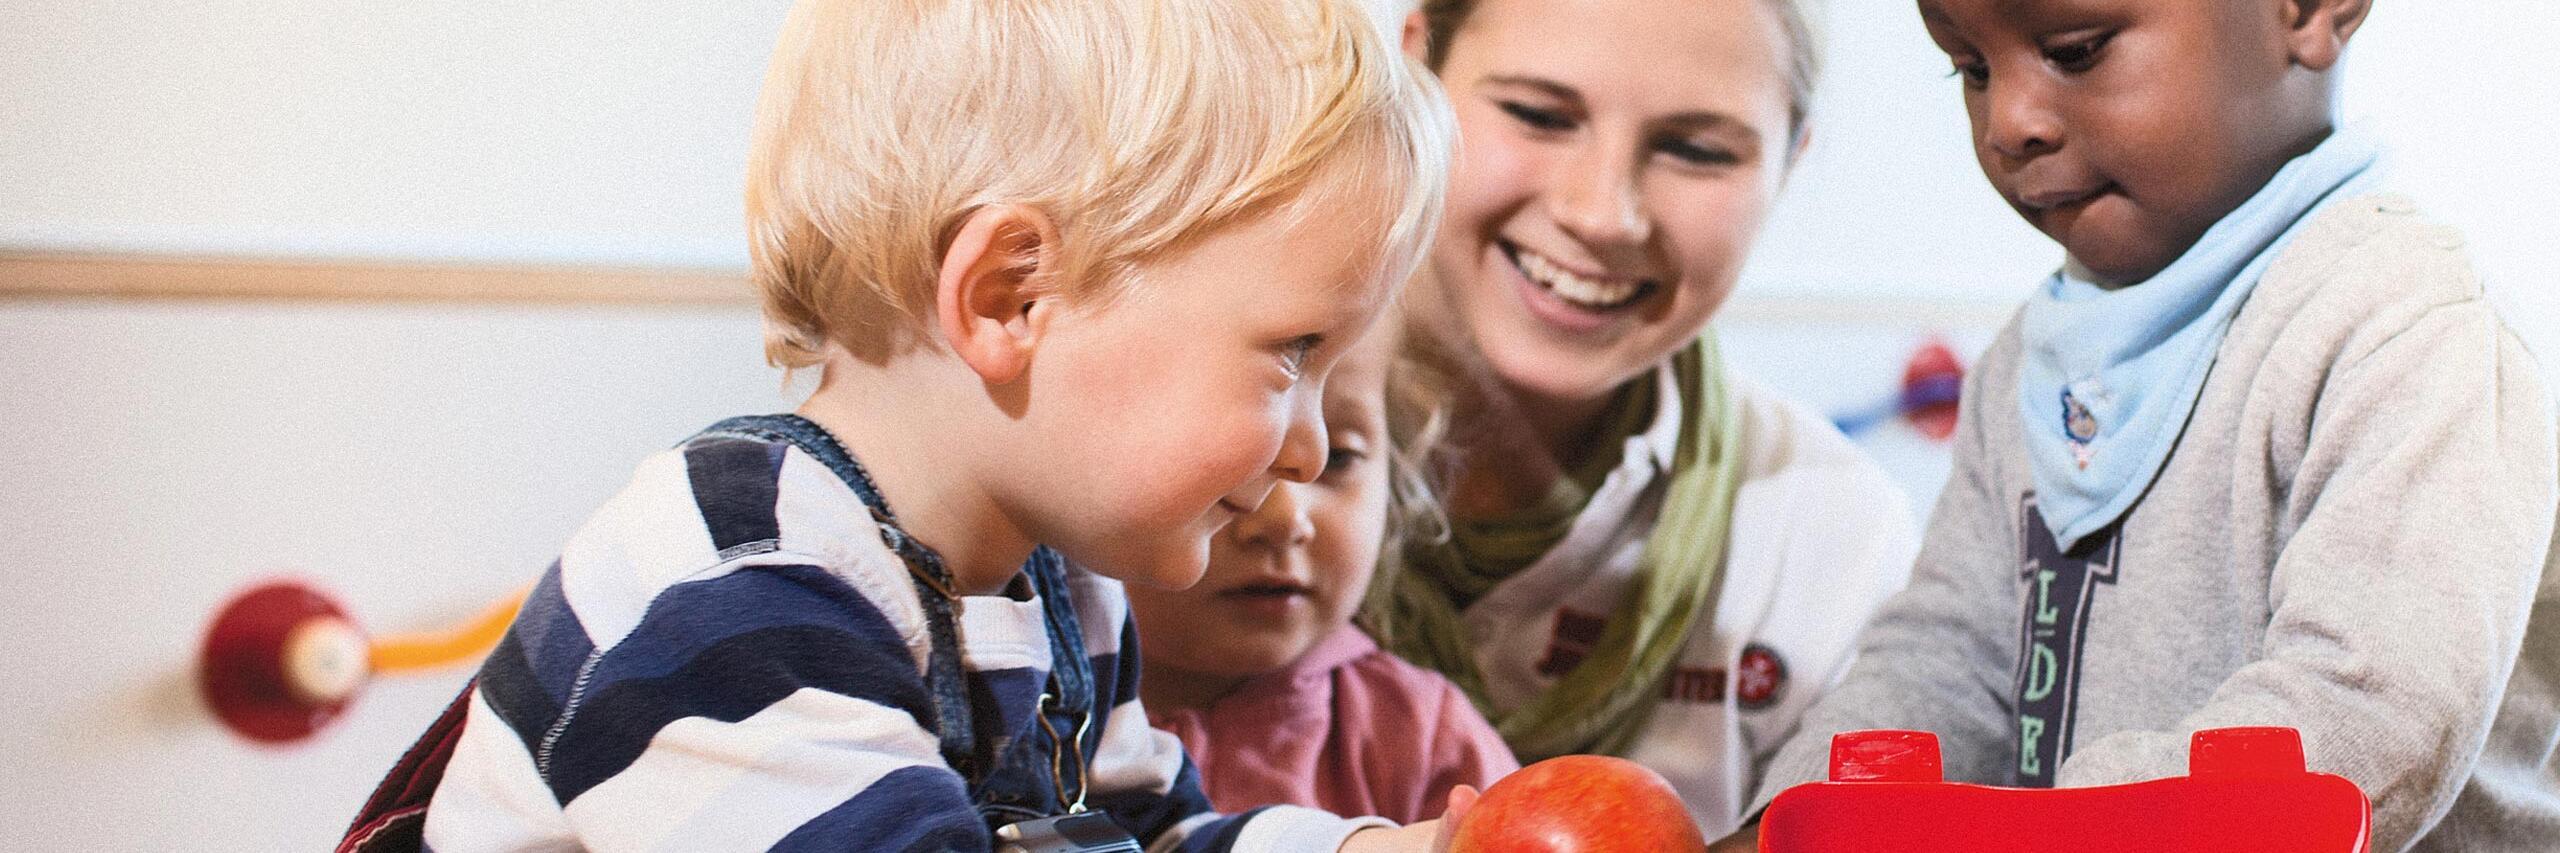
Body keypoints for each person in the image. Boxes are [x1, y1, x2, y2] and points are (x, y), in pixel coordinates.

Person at [408, 0, 1468, 849]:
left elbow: (1142, 834)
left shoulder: (1064, 594)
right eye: (1291, 353)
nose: (1311, 447)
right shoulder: (727, 592)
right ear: (1013, 296)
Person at [1724, 1, 2560, 850]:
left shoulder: (2410, 327)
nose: (2008, 123)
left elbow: (2368, 716)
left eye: (2076, 52)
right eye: (1971, 68)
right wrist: (1789, 822)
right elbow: (1941, 665)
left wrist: (2031, 826)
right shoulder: (2027, 362)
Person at [1361, 0, 1922, 837]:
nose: (1602, 214)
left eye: (1696, 150)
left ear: (1791, 160)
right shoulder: (1221, 459)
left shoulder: (1834, 540)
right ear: (1415, 72)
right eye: (1538, 115)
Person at [1129, 324, 1519, 826]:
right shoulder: (1020, 697)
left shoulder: (1419, 735)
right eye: (1222, 450)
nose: (1285, 520)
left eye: (1338, 458)